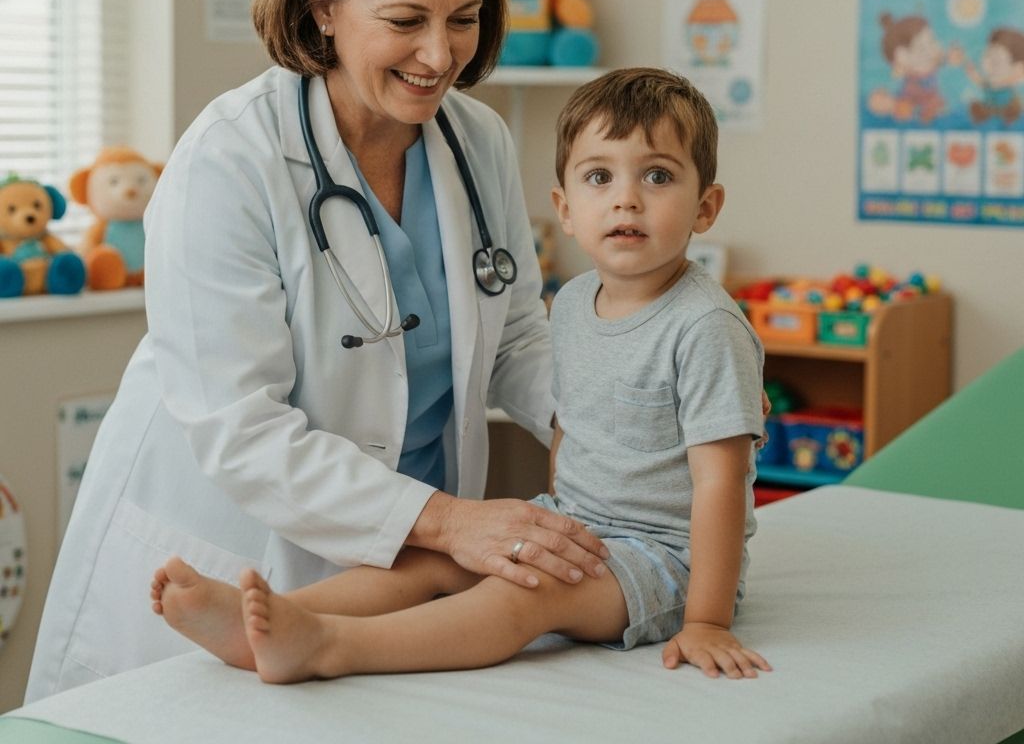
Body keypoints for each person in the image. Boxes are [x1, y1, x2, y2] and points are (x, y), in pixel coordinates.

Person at [25, 0, 612, 702]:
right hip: (241, 544)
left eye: (465, 18)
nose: (439, 54)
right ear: (323, 3)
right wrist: (453, 523)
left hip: (399, 563)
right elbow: (241, 429)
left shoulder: (474, 140)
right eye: (406, 19)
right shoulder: (230, 159)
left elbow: (518, 333)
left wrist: (613, 417)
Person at [149, 66, 772, 682]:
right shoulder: (579, 301)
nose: (626, 197)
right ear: (566, 209)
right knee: (430, 561)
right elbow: (571, 422)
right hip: (586, 529)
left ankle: (329, 646)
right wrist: (557, 519)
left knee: (523, 594)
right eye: (599, 177)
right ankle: (264, 620)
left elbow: (722, 483)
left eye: (658, 175)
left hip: (665, 560)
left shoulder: (707, 326)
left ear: (706, 207)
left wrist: (707, 621)